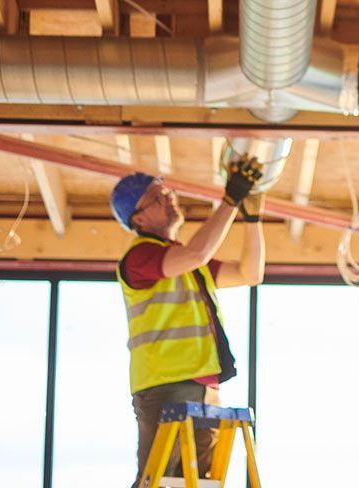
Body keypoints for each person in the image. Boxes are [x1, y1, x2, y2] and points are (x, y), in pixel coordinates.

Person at [111, 157, 266, 484]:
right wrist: (230, 200)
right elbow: (197, 253)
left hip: (203, 387)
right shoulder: (140, 257)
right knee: (161, 481)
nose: (169, 198)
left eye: (166, 192)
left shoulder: (190, 263)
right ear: (138, 219)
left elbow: (250, 273)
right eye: (158, 197)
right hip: (166, 385)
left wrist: (252, 219)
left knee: (192, 482)